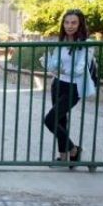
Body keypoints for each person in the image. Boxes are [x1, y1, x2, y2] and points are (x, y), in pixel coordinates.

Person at [39, 9, 96, 164]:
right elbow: (53, 66)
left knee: (50, 120)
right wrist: (47, 62)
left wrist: (61, 69)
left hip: (73, 88)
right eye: (66, 22)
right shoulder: (62, 42)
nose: (69, 26)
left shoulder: (86, 44)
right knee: (60, 120)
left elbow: (79, 69)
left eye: (74, 22)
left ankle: (74, 149)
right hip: (57, 84)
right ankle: (64, 156)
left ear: (80, 24)